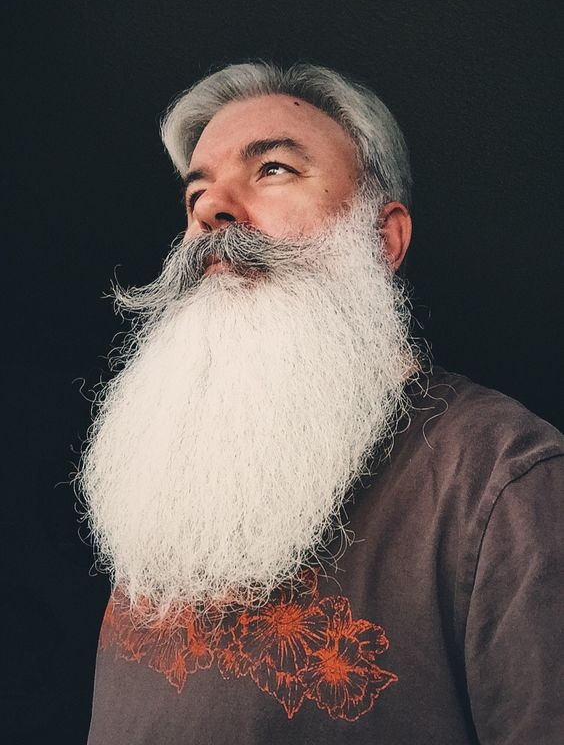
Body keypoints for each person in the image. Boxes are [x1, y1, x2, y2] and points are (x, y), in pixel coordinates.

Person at [80, 62, 564, 744]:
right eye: (196, 194)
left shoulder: (503, 476)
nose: (213, 209)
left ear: (382, 237)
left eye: (273, 168)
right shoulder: (160, 480)